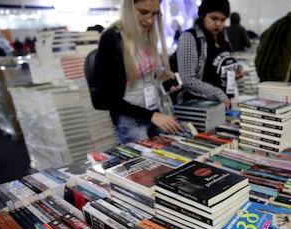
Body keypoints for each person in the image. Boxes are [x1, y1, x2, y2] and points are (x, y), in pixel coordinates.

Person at [95, 0, 182, 144]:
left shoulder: (146, 34)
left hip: (154, 112)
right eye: (143, 12)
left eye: (154, 14)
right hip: (132, 120)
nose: (149, 20)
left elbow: (142, 77)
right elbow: (111, 99)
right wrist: (151, 115)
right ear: (129, 7)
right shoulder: (112, 38)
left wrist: (161, 79)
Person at [176, 0, 244, 110]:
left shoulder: (223, 38)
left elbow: (222, 67)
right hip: (202, 109)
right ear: (202, 16)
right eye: (214, 18)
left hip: (226, 104)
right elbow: (188, 79)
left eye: (222, 20)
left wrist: (235, 71)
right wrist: (218, 94)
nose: (218, 24)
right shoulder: (190, 37)